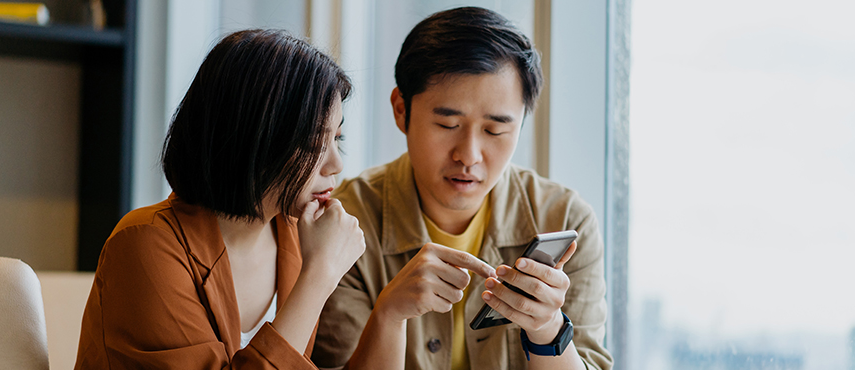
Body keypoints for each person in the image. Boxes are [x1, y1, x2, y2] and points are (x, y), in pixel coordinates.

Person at [312, 7, 613, 370]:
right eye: (448, 124)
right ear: (401, 110)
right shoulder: (344, 223)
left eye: (494, 130)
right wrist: (388, 315)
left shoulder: (564, 220)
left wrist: (548, 329)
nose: (468, 155)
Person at [74, 29, 366, 369]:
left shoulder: (297, 236)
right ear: (251, 138)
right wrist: (319, 276)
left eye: (337, 139)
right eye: (314, 143)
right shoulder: (145, 245)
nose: (336, 164)